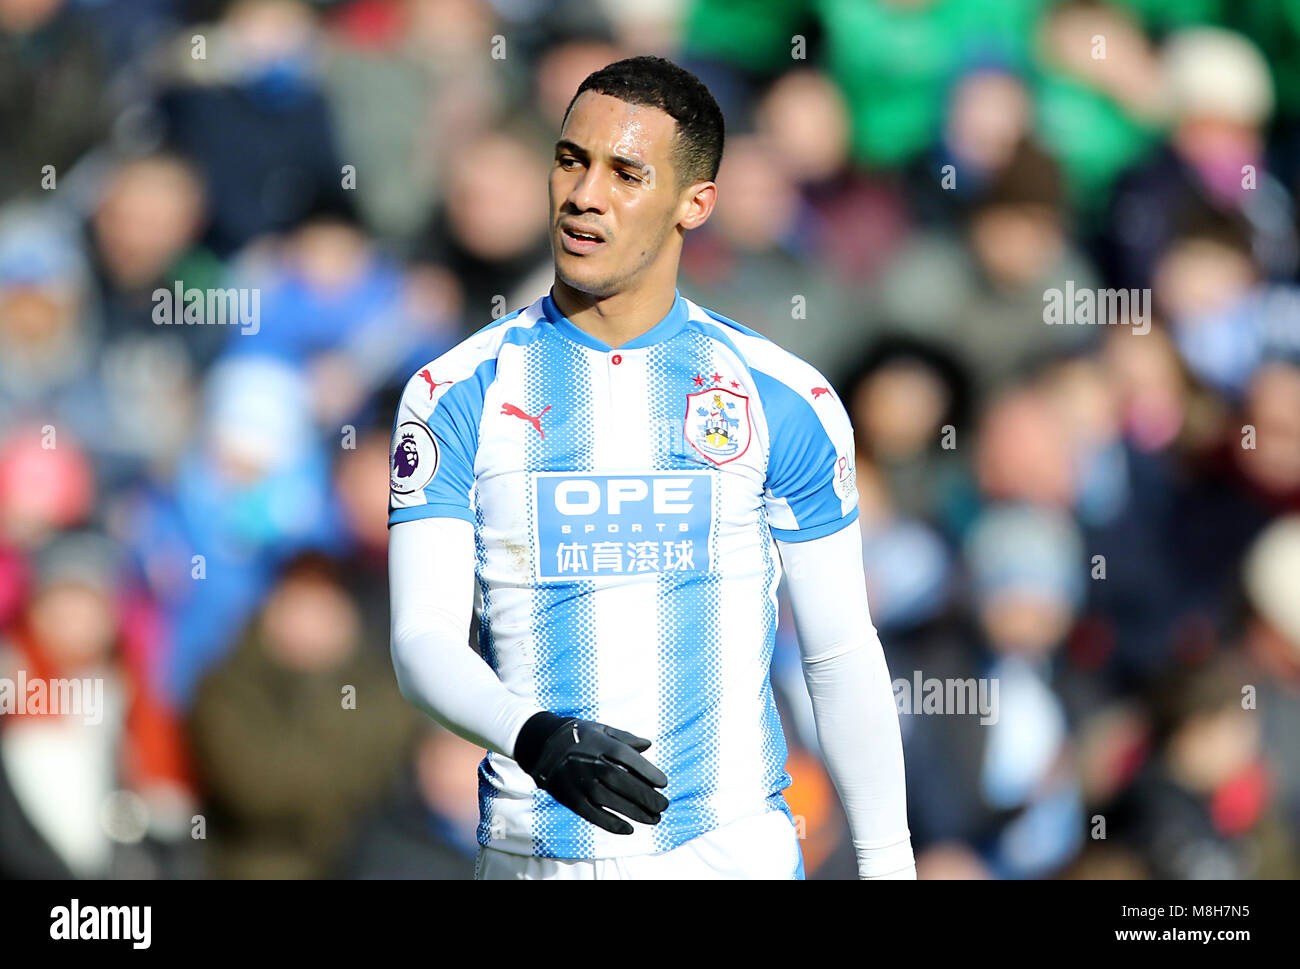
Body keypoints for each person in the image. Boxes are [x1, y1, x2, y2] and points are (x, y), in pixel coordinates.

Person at [387, 55, 913, 880]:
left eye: (626, 172)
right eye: (571, 160)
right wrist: (535, 735)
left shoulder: (779, 396)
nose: (585, 194)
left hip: (729, 853)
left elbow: (839, 653)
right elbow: (421, 641)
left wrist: (888, 861)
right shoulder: (456, 390)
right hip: (535, 853)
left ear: (695, 203)